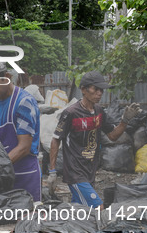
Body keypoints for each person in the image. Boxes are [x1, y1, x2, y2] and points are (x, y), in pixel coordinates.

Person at [48, 70, 141, 208]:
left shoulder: (99, 111)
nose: (99, 93)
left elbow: (113, 136)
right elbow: (56, 140)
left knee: (79, 211)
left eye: (101, 90)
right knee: (98, 207)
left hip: (90, 170)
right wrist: (52, 171)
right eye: (95, 89)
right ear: (83, 90)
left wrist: (125, 121)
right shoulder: (71, 113)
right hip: (75, 172)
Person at [0, 64, 42, 202]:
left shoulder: (24, 102)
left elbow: (24, 147)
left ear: (6, 77)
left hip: (25, 175)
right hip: (2, 176)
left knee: (28, 219)